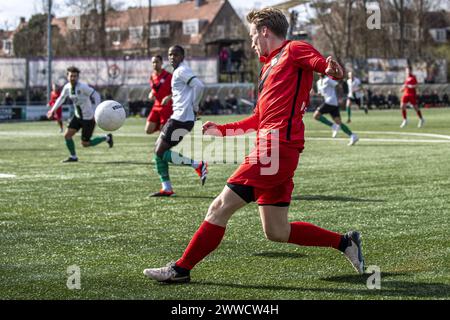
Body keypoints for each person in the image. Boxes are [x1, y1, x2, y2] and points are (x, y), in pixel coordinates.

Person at [143, 8, 365, 283]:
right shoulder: (266, 69)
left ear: (265, 31)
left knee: (219, 207)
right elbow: (260, 117)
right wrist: (223, 130)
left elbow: (320, 63)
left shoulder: (294, 49)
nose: (251, 43)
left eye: (252, 36)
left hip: (276, 148)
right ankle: (345, 243)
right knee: (277, 231)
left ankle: (180, 269)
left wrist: (331, 70)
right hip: (276, 149)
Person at [150, 45, 207, 197]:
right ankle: (166, 188)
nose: (171, 57)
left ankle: (198, 164)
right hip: (181, 117)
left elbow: (199, 86)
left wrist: (195, 106)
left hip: (181, 118)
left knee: (159, 151)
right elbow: (185, 92)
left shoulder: (182, 70)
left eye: (175, 54)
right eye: (169, 54)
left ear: (182, 56)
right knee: (158, 152)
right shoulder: (178, 71)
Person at [47, 66, 113, 162]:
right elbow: (61, 98)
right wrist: (52, 110)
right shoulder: (67, 87)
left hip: (88, 118)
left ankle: (106, 138)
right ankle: (73, 156)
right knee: (67, 135)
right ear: (67, 76)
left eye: (75, 76)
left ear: (78, 77)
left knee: (85, 144)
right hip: (77, 117)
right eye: (71, 76)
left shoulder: (83, 87)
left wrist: (96, 111)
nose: (73, 78)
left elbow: (96, 95)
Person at [314, 74, 359, 146]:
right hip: (331, 103)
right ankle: (353, 135)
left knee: (316, 115)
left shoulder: (328, 79)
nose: (320, 71)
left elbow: (338, 86)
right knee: (338, 122)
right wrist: (314, 94)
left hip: (330, 101)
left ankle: (333, 125)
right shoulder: (318, 82)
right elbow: (321, 94)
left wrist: (340, 97)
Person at [145, 55, 173, 135]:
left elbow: (177, 90)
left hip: (167, 106)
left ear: (161, 63)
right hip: (156, 106)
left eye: (157, 62)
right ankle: (162, 127)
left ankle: (164, 129)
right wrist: (151, 93)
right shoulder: (152, 76)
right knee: (148, 130)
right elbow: (154, 89)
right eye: (153, 62)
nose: (155, 64)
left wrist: (169, 97)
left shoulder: (169, 76)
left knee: (163, 132)